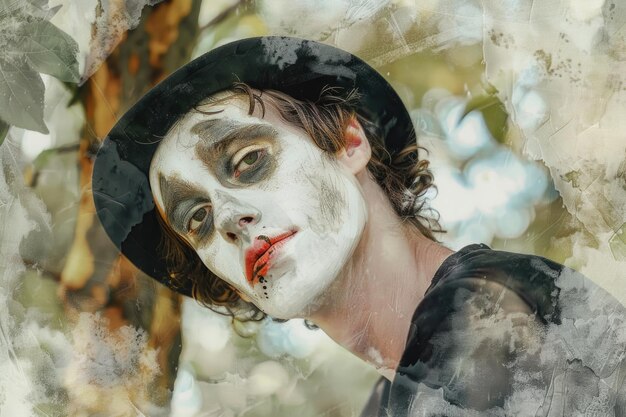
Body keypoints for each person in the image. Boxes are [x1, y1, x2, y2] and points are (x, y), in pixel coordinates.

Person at [93, 37, 626, 416]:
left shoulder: (487, 308)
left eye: (248, 161)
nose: (229, 218)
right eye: (199, 221)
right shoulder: (390, 399)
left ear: (348, 144)